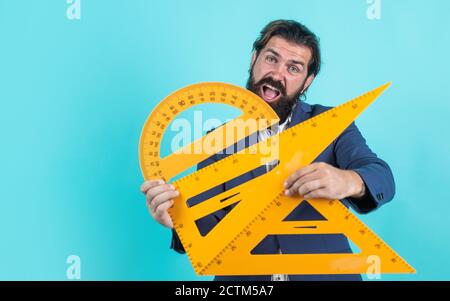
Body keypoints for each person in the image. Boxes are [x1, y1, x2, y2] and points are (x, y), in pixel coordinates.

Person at [140, 20, 395, 281]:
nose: (277, 74)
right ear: (253, 60)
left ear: (307, 81)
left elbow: (381, 175)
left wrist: (348, 180)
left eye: (293, 68)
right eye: (271, 59)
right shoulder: (218, 141)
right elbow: (208, 227)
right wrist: (177, 220)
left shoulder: (332, 124)